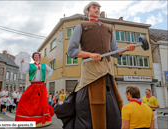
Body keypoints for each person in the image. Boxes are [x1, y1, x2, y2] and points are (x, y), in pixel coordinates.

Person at [66, 1, 136, 129]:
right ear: (87, 11)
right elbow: (71, 51)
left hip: (107, 72)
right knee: (90, 108)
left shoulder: (108, 28)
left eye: (98, 7)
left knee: (114, 109)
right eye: (94, 7)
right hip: (91, 73)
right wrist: (90, 54)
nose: (97, 9)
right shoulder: (81, 26)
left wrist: (127, 49)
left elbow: (114, 52)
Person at [15, 52, 54, 127]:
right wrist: (22, 64)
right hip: (33, 85)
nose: (36, 56)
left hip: (41, 85)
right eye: (35, 55)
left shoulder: (44, 65)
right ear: (34, 57)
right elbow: (23, 72)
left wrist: (47, 77)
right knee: (24, 99)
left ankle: (43, 118)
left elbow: (51, 70)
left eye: (38, 55)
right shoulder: (30, 65)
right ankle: (28, 118)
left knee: (41, 103)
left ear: (39, 57)